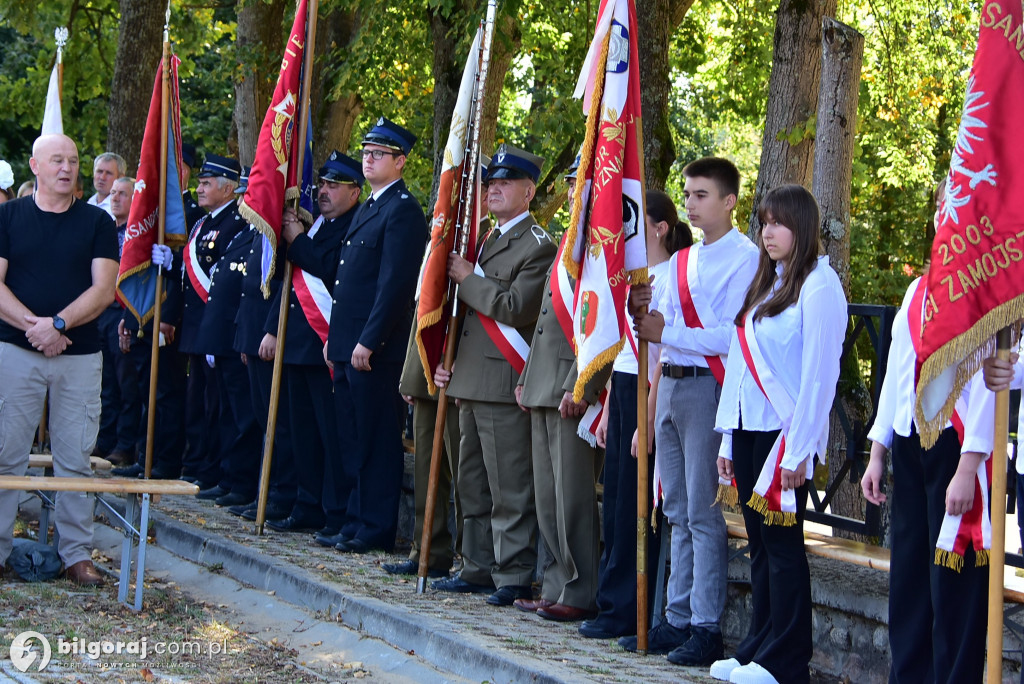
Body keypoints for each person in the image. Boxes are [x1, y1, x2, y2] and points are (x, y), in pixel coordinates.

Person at [712, 184, 847, 684]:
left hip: (784, 437)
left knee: (785, 547)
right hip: (750, 429)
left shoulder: (819, 285)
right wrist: (728, 438)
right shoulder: (768, 283)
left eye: (779, 223)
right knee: (761, 545)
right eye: (764, 222)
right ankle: (759, 647)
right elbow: (740, 363)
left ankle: (787, 661)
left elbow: (819, 375)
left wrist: (800, 448)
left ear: (802, 227)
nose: (768, 233)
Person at [862, 180, 992, 684]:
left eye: (960, 205)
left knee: (954, 581)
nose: (948, 213)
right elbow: (898, 375)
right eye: (944, 204)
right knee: (911, 577)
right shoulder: (919, 289)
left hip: (958, 450)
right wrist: (877, 451)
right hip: (912, 443)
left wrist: (968, 467)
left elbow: (985, 387)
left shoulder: (985, 292)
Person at [630, 157, 759, 662]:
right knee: (676, 509)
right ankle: (676, 616)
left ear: (729, 201)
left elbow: (733, 336)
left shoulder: (745, 257)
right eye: (688, 193)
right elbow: (654, 321)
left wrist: (669, 332)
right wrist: (638, 307)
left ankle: (705, 626)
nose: (691, 202)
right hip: (672, 385)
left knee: (703, 513)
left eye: (702, 194)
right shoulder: (683, 260)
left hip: (709, 387)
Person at [433, 144, 556, 606]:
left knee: (509, 486)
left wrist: (468, 277)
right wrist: (448, 359)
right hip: (469, 378)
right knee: (471, 482)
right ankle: (478, 565)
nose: (494, 189)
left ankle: (514, 574)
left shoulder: (538, 245)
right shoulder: (482, 238)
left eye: (505, 182)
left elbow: (514, 307)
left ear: (529, 191)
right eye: (490, 183)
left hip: (505, 380)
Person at [0, 133, 119, 585]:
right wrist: (36, 325)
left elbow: (103, 290)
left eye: (73, 160)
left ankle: (75, 555)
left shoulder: (97, 222)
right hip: (14, 350)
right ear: (34, 165)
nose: (67, 168)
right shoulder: (7, 217)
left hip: (78, 354)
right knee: (5, 453)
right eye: (57, 160)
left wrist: (59, 325)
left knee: (74, 458)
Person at [580, 188, 692, 639]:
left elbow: (662, 355)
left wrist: (647, 417)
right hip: (625, 387)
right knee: (617, 503)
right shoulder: (636, 278)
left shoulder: (668, 278)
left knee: (635, 506)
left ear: (661, 228)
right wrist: (609, 407)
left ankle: (628, 609)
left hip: (650, 391)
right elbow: (626, 347)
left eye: (637, 225)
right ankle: (612, 602)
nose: (627, 234)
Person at [325, 117, 428, 553]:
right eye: (366, 151)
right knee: (352, 435)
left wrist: (369, 341)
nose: (368, 158)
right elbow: (349, 281)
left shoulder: (402, 210)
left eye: (379, 153)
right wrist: (338, 339)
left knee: (376, 439)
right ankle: (356, 517)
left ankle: (375, 527)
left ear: (400, 161)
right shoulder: (369, 205)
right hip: (349, 343)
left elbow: (394, 287)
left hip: (375, 348)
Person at [270, 151, 363, 536]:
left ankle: (335, 510)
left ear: (355, 192)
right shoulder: (320, 224)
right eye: (321, 183)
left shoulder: (352, 226)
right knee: (301, 432)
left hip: (324, 344)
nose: (323, 191)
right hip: (298, 343)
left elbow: (329, 270)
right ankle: (306, 504)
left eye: (333, 185)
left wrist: (297, 240)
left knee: (330, 434)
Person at [176, 154, 245, 494]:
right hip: (198, 328)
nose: (199, 189)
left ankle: (215, 470)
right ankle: (200, 465)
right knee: (199, 402)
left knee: (218, 405)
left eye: (206, 184)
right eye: (200, 183)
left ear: (228, 188)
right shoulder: (204, 222)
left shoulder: (236, 222)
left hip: (218, 329)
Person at [96, 177, 143, 465]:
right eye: (113, 193)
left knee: (127, 385)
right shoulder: (105, 231)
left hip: (123, 313)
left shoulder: (137, 236)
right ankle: (104, 441)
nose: (115, 198)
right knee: (106, 384)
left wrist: (127, 317)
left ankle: (125, 445)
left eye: (123, 194)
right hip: (101, 312)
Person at [87, 152, 125, 221]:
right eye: (99, 171)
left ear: (120, 178)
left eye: (108, 173)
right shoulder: (89, 202)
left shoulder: (122, 208)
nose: (102, 177)